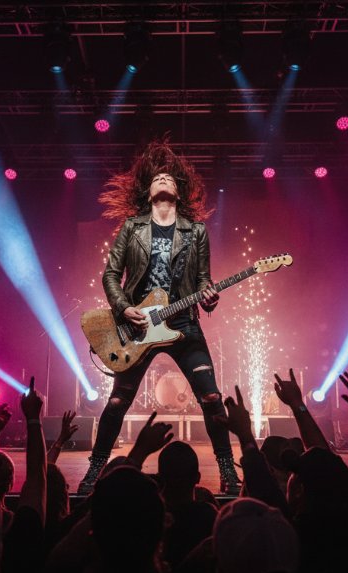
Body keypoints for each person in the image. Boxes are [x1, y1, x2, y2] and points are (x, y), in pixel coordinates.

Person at [79, 138, 240, 494]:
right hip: (138, 326)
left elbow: (203, 280)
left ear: (179, 193)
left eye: (170, 178)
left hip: (183, 323)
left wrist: (210, 298)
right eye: (158, 177)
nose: (164, 178)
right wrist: (124, 309)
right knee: (118, 400)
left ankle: (229, 471)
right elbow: (110, 274)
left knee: (212, 398)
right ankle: (94, 471)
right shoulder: (132, 228)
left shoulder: (195, 231)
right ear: (148, 190)